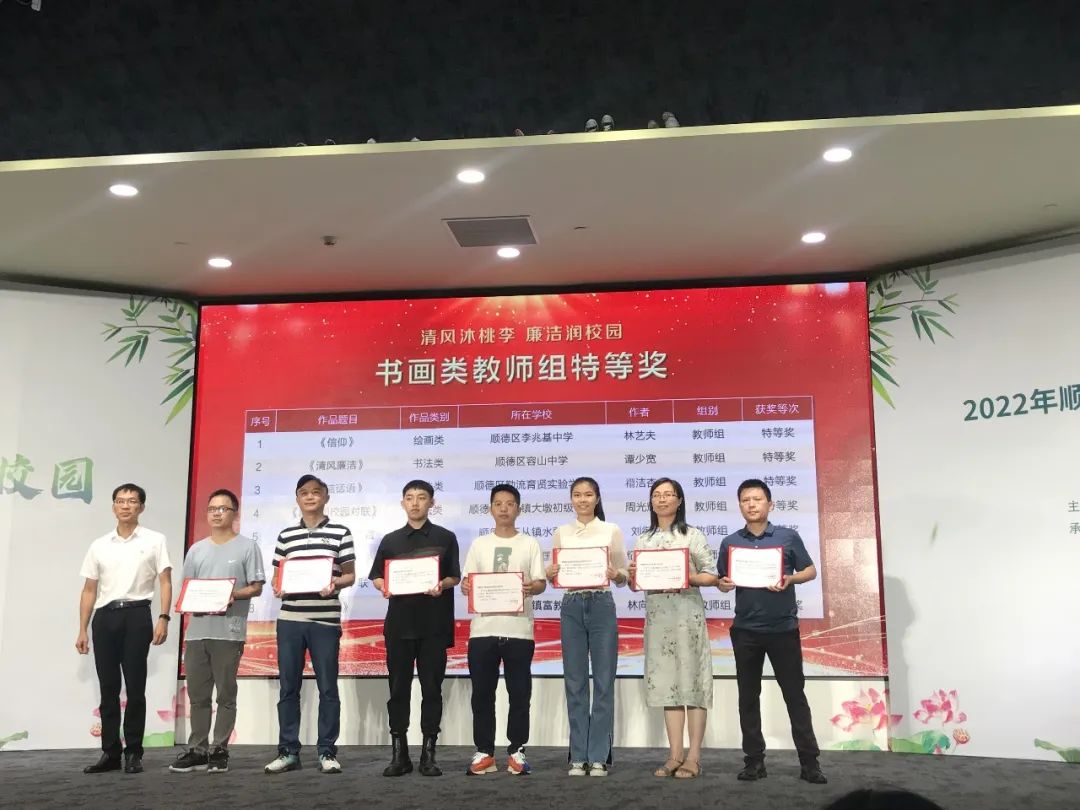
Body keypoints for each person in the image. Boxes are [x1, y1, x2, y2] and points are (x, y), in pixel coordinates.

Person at [718, 478, 827, 784]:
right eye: (745, 500)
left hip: (783, 629)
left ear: (770, 504)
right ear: (740, 506)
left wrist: (790, 579)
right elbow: (724, 580)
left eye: (757, 499)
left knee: (794, 696)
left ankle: (810, 763)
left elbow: (810, 570)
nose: (751, 505)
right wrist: (723, 584)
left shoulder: (787, 537)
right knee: (748, 698)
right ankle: (754, 761)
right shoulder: (730, 543)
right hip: (746, 630)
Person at [76, 483, 172, 775]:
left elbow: (165, 581)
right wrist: (82, 628)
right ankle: (110, 752)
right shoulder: (99, 544)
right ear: (113, 506)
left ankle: (133, 752)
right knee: (108, 688)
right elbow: (89, 589)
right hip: (104, 618)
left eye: (132, 501)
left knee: (135, 687)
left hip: (137, 615)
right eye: (120, 501)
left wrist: (163, 617)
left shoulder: (155, 540)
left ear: (141, 507)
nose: (126, 505)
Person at [264, 475, 355, 775]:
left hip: (325, 620)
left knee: (328, 688)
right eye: (304, 493)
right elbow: (277, 577)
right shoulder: (286, 535)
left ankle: (327, 751)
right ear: (297, 498)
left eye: (316, 492)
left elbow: (350, 575)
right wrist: (279, 586)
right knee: (288, 688)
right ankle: (288, 751)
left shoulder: (341, 532)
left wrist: (334, 583)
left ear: (326, 497)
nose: (310, 497)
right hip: (290, 620)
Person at [370, 480, 461, 777]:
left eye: (422, 498)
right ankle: (400, 755)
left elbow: (455, 577)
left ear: (431, 503)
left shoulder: (445, 537)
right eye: (409, 498)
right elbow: (377, 576)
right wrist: (384, 586)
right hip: (399, 626)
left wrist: (441, 584)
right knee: (398, 690)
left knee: (432, 690)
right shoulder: (391, 540)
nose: (415, 503)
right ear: (402, 503)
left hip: (434, 626)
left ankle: (428, 755)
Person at [170, 489, 265, 774]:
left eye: (223, 508)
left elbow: (256, 587)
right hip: (197, 633)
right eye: (212, 508)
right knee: (198, 696)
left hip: (229, 632)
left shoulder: (247, 547)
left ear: (235, 513)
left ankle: (219, 749)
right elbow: (186, 589)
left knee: (225, 694)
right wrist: (188, 600)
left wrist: (231, 594)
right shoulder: (196, 549)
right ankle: (197, 749)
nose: (217, 513)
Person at [629, 477, 718, 780]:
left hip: (687, 617)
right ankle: (674, 755)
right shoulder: (644, 540)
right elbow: (636, 584)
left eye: (669, 494)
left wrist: (684, 576)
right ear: (651, 502)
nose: (662, 499)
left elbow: (711, 575)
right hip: (659, 621)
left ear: (679, 501)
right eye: (657, 494)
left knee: (693, 685)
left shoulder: (692, 535)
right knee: (669, 687)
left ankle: (694, 757)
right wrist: (633, 576)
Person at [460, 484, 546, 776]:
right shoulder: (479, 544)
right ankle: (484, 752)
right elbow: (467, 583)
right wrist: (467, 586)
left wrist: (532, 586)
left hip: (519, 630)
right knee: (482, 694)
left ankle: (517, 751)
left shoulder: (530, 543)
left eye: (510, 503)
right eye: (498, 503)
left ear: (518, 509)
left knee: (519, 694)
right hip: (483, 631)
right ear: (490, 509)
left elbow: (540, 582)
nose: (504, 508)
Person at [546, 476, 629, 776]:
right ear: (571, 499)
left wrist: (616, 574)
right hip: (571, 604)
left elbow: (624, 575)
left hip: (601, 603)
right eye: (577, 495)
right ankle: (578, 756)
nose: (582, 500)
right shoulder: (561, 532)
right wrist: (550, 573)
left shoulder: (610, 530)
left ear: (597, 498)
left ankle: (598, 757)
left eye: (588, 494)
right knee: (575, 681)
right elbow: (555, 577)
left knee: (604, 681)